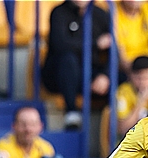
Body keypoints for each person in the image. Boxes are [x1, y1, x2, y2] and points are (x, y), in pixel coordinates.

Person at [42, 0, 112, 130]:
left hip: (92, 75)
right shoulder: (59, 12)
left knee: (124, 76)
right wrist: (95, 44)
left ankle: (118, 122)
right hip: (60, 76)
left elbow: (113, 49)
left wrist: (105, 75)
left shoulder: (100, 14)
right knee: (69, 59)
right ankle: (72, 112)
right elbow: (60, 44)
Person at [116, 56, 148, 138]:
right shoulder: (122, 93)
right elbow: (123, 128)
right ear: (131, 76)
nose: (144, 83)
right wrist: (141, 102)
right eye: (140, 78)